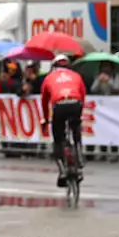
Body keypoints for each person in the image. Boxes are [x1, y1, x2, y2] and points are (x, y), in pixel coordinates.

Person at [40, 55, 88, 188]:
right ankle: (79, 154)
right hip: (75, 103)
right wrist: (79, 114)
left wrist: (45, 118)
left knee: (58, 139)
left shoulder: (49, 77)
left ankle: (62, 171)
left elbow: (44, 101)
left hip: (59, 105)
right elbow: (83, 95)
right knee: (75, 128)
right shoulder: (76, 75)